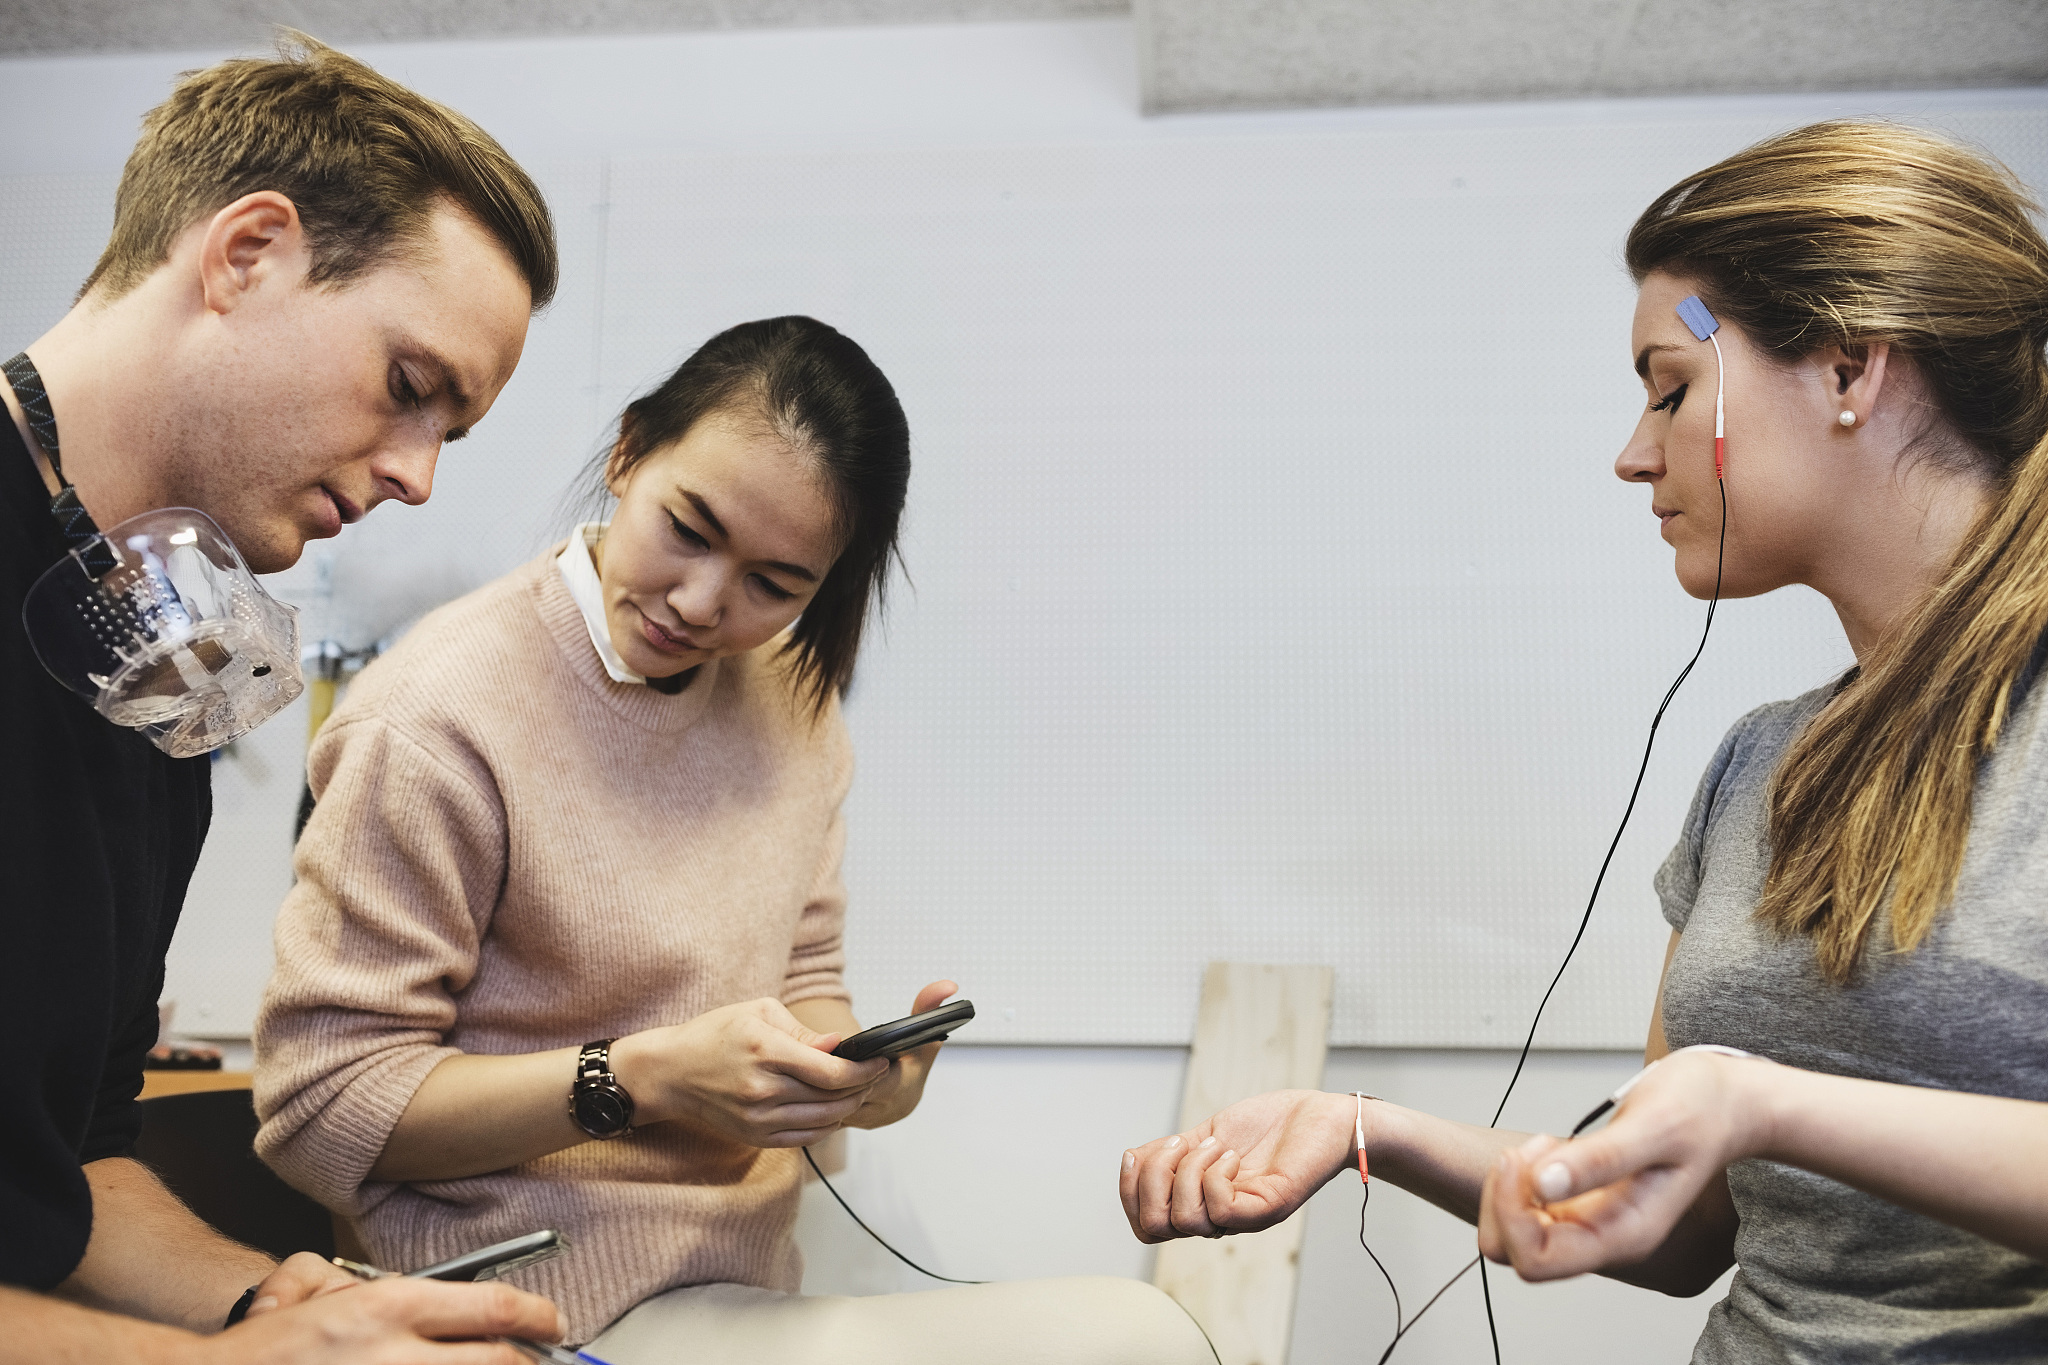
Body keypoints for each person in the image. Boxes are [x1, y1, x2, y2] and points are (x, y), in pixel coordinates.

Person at [1119, 120, 2048, 1358]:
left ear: (1844, 368)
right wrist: (1363, 1131)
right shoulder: (1756, 765)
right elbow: (1676, 1234)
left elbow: (1733, 1110)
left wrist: (1753, 1101)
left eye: (1671, 388)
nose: (1630, 455)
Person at [252, 316, 1214, 1363]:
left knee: (1148, 1334)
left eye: (773, 584)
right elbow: (322, 1109)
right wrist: (640, 1077)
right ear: (628, 453)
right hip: (516, 1316)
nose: (700, 603)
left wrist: (855, 1076)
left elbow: (804, 973)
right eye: (689, 528)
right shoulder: (435, 717)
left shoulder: (792, 713)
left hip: (731, 1293)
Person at [0, 34, 571, 1363]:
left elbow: (69, 1168)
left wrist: (275, 1301)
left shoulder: (163, 664)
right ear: (246, 253)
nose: (419, 477)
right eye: (409, 388)